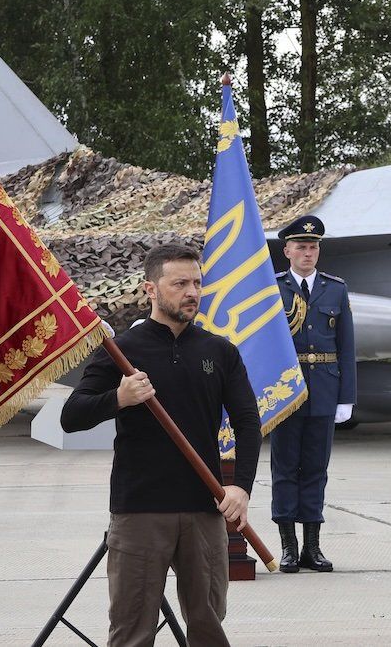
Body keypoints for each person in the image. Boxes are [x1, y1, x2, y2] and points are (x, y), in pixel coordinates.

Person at [60, 243, 261, 647]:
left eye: (197, 283)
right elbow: (71, 416)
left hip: (204, 507)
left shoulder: (219, 350)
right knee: (132, 626)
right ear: (151, 289)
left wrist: (240, 487)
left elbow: (247, 422)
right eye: (180, 283)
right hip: (140, 510)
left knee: (208, 622)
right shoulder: (122, 352)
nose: (192, 292)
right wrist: (119, 398)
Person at [270, 215, 356, 573]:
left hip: (324, 388)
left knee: (316, 470)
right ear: (287, 250)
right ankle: (288, 547)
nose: (308, 252)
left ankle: (313, 547)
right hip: (286, 388)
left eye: (313, 247)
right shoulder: (272, 288)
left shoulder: (335, 289)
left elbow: (346, 345)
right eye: (301, 247)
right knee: (286, 468)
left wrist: (346, 397)